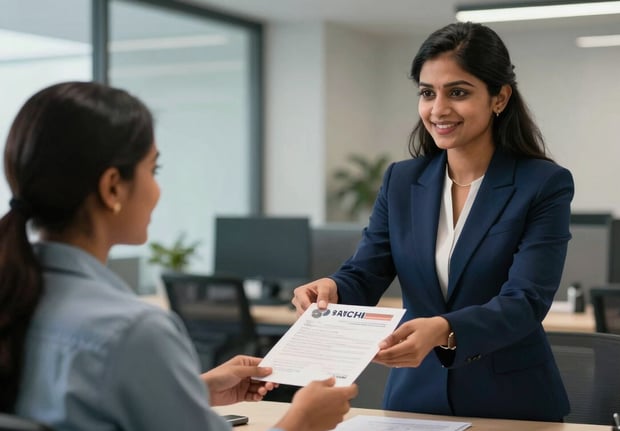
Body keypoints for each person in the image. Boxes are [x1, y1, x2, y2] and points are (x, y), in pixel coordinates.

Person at [0, 81, 357, 431]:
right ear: (112, 188)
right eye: (153, 170)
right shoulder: (133, 331)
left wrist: (191, 390)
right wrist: (302, 422)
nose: (157, 189)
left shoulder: (15, 299)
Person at [293, 22, 573, 421]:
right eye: (427, 93)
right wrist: (332, 289)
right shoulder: (402, 181)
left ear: (499, 98)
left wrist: (443, 329)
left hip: (511, 402)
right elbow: (365, 273)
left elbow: (525, 302)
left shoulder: (542, 184)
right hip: (415, 398)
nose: (438, 109)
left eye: (457, 92)